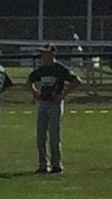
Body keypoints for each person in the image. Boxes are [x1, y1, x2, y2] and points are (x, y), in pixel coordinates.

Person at [28, 44, 80, 174]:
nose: (43, 56)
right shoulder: (42, 69)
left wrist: (62, 95)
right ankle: (42, 164)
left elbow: (76, 81)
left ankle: (56, 164)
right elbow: (30, 80)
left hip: (54, 104)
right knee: (41, 135)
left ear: (52, 54)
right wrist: (35, 92)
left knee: (54, 135)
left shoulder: (59, 69)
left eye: (45, 53)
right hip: (43, 103)